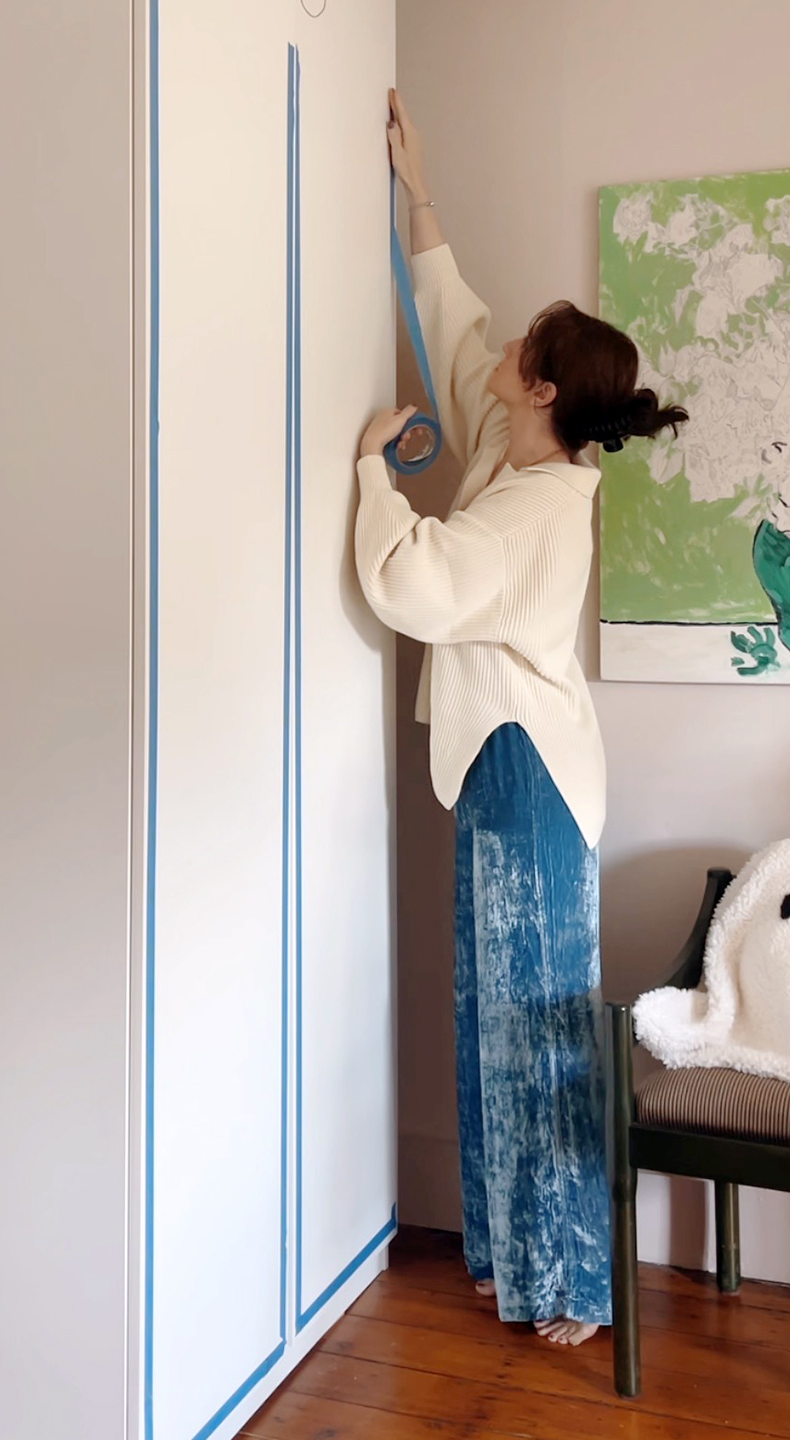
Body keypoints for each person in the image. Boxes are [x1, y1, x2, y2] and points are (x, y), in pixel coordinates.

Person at [356, 90, 687, 1347]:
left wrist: (369, 474)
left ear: (543, 389)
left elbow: (419, 582)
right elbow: (461, 329)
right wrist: (417, 187)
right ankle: (508, 1260)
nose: (503, 349)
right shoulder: (523, 442)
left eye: (524, 347)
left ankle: (573, 1286)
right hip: (505, 774)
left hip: (532, 783)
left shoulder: (535, 509)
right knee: (492, 1022)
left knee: (538, 1035)